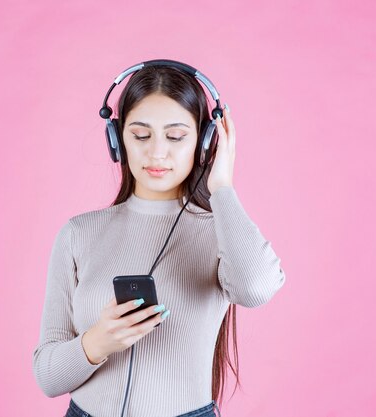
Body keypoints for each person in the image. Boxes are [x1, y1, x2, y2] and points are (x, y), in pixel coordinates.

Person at [32, 61, 286, 417]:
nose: (156, 153)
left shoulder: (222, 231)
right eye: (140, 135)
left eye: (176, 136)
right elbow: (47, 377)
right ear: (117, 140)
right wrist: (98, 341)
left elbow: (256, 288)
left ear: (204, 142)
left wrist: (222, 188)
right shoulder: (78, 233)